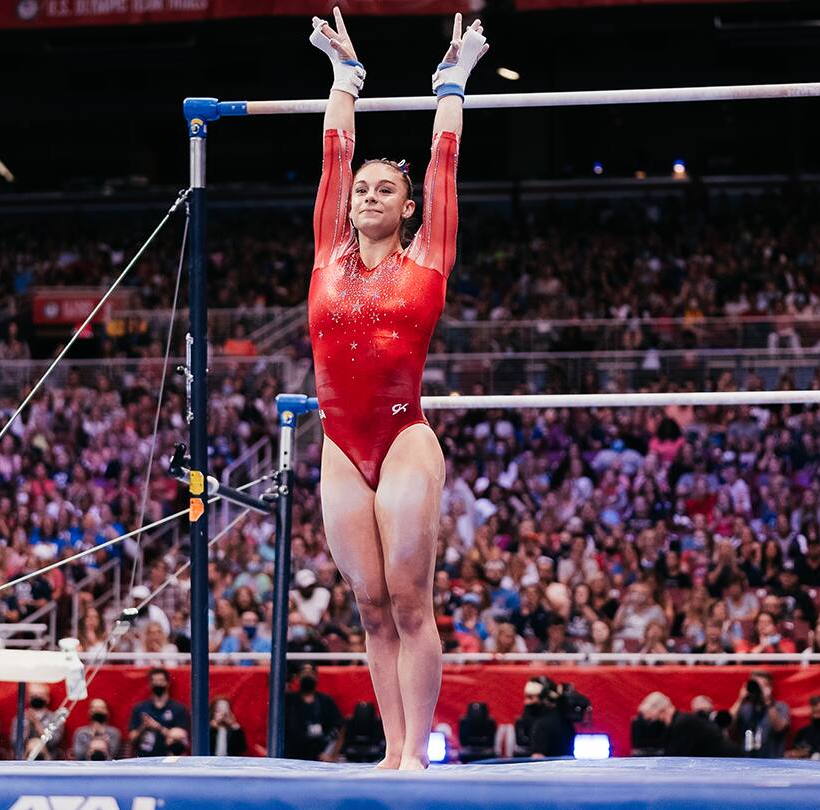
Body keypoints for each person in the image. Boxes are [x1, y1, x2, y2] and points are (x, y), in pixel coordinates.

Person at [306, 7, 488, 770]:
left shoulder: (428, 256)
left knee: (412, 603)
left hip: (403, 436)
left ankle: (418, 752)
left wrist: (454, 81)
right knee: (370, 607)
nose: (370, 195)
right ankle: (390, 750)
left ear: (408, 208)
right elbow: (333, 154)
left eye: (387, 190)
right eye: (364, 189)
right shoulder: (327, 249)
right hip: (340, 445)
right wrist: (344, 81)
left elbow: (442, 159)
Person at [636, 692, 737, 757]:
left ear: (659, 710)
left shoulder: (682, 723)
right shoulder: (679, 722)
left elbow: (674, 757)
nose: (652, 721)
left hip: (730, 762)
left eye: (651, 718)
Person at [284, 664, 345, 761]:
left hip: (320, 757)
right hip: (292, 757)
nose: (308, 676)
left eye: (311, 673)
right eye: (304, 673)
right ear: (297, 677)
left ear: (316, 677)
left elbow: (340, 727)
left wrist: (332, 755)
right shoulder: (289, 701)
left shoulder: (326, 701)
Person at [129, 668, 189, 757]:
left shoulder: (178, 709)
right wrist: (143, 727)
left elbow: (180, 737)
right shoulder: (140, 708)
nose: (158, 684)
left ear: (168, 683)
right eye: (155, 681)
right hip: (143, 758)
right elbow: (132, 738)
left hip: (169, 757)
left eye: (161, 680)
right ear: (150, 684)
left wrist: (158, 727)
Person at [730, 671, 790, 757]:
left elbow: (779, 728)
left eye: (761, 686)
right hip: (745, 763)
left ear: (769, 688)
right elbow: (728, 725)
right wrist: (740, 699)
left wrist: (767, 701)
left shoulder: (780, 707)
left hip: (772, 763)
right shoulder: (744, 708)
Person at [512, 677, 573, 758]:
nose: (526, 702)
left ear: (545, 699)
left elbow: (537, 762)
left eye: (530, 697)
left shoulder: (541, 725)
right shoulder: (565, 720)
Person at [15, 682, 64, 760]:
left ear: (48, 698)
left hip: (50, 762)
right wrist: (28, 726)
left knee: (37, 745)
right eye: (33, 695)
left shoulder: (55, 718)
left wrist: (36, 723)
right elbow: (15, 741)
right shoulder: (20, 718)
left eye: (40, 694)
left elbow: (53, 741)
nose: (37, 697)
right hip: (23, 761)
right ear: (28, 697)